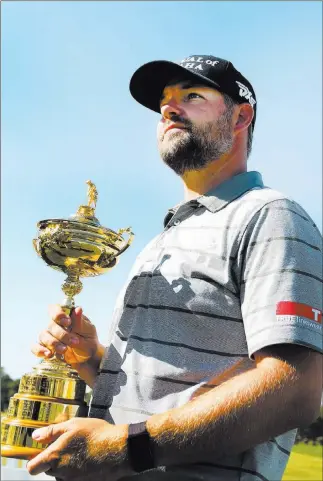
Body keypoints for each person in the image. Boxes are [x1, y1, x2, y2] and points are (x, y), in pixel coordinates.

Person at [28, 55, 322, 481]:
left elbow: (295, 391)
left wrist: (127, 449)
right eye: (164, 101)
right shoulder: (163, 238)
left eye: (192, 95)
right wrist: (94, 360)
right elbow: (170, 393)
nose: (169, 108)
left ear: (241, 116)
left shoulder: (271, 216)